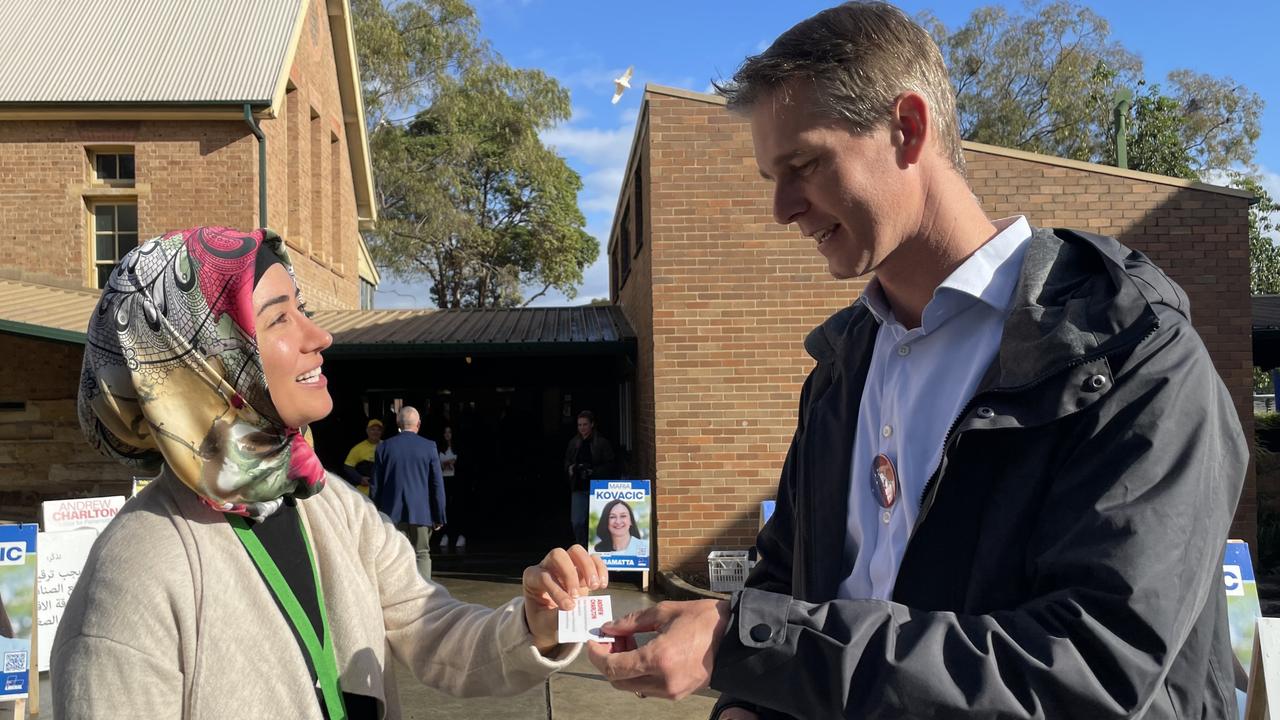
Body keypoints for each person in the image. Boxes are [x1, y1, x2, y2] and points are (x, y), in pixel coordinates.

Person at [587, 4, 1248, 719]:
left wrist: (742, 648)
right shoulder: (840, 370)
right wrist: (747, 703)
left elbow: (1091, 669)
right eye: (770, 175)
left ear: (908, 128)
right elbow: (785, 587)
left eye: (803, 164)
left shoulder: (1132, 355)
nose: (781, 208)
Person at [56, 226, 607, 718]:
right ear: (202, 358)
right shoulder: (134, 573)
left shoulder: (327, 502)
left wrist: (537, 625)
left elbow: (433, 629)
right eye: (278, 318)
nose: (320, 338)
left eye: (305, 311)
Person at [372, 406, 445, 579]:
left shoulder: (384, 447)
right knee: (422, 554)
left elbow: (376, 485)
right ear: (418, 424)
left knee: (395, 556)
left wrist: (375, 513)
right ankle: (423, 595)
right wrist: (438, 515)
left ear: (398, 423)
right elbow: (436, 485)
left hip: (392, 514)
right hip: (421, 512)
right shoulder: (429, 447)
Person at [564, 410, 617, 546]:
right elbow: (567, 461)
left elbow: (611, 465)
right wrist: (572, 468)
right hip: (579, 486)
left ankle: (596, 550)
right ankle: (581, 546)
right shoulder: (574, 443)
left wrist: (593, 471)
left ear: (592, 424)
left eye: (585, 424)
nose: (582, 428)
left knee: (598, 522)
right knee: (577, 522)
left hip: (597, 487)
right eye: (579, 425)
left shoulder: (602, 443)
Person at [436, 425, 466, 551]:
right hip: (444, 481)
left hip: (456, 481)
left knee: (457, 507)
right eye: (445, 432)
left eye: (450, 432)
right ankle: (445, 534)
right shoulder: (439, 449)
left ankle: (460, 535)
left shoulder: (458, 449)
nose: (448, 434)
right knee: (445, 508)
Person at [340, 418, 383, 496]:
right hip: (364, 492)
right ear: (367, 431)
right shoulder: (358, 448)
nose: (375, 432)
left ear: (381, 432)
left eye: (378, 430)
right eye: (372, 429)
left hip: (382, 490)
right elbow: (348, 466)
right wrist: (360, 479)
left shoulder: (387, 447)